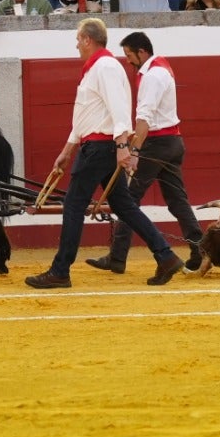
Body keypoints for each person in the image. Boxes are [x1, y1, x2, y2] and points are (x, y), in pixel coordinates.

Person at [26, 17, 184, 289]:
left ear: (88, 39)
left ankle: (60, 270)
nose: (76, 45)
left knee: (74, 205)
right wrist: (67, 150)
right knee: (124, 206)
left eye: (78, 40)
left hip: (99, 148)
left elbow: (119, 109)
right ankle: (165, 255)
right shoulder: (99, 68)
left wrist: (123, 145)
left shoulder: (105, 66)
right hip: (98, 146)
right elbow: (85, 117)